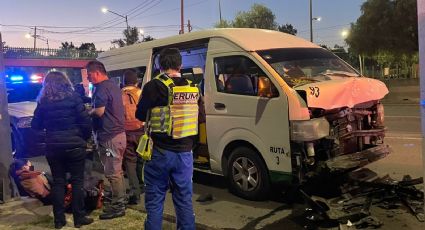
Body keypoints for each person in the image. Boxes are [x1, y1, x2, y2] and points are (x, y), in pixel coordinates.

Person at [136, 48, 199, 230]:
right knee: (184, 200)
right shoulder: (192, 87)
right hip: (185, 153)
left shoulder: (152, 86)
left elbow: (140, 114)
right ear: (180, 65)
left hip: (160, 152)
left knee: (155, 200)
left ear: (159, 65)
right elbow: (199, 116)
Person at [31, 71, 93, 229]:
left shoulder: (43, 102)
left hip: (53, 146)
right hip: (75, 145)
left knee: (58, 182)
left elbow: (35, 126)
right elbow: (86, 122)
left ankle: (59, 220)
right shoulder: (74, 98)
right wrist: (83, 139)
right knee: (77, 181)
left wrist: (46, 135)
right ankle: (79, 218)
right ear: (65, 82)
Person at [85, 60, 127, 220]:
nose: (88, 79)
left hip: (109, 138)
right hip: (118, 136)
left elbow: (100, 111)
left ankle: (118, 206)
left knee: (113, 171)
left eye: (89, 75)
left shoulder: (101, 88)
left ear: (96, 73)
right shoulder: (113, 86)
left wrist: (88, 112)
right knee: (117, 170)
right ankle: (119, 200)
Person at [121, 69, 144, 205]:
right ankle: (141, 186)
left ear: (124, 82)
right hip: (140, 130)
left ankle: (135, 191)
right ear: (136, 81)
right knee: (141, 158)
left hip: (126, 132)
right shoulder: (141, 93)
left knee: (130, 161)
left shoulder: (119, 95)